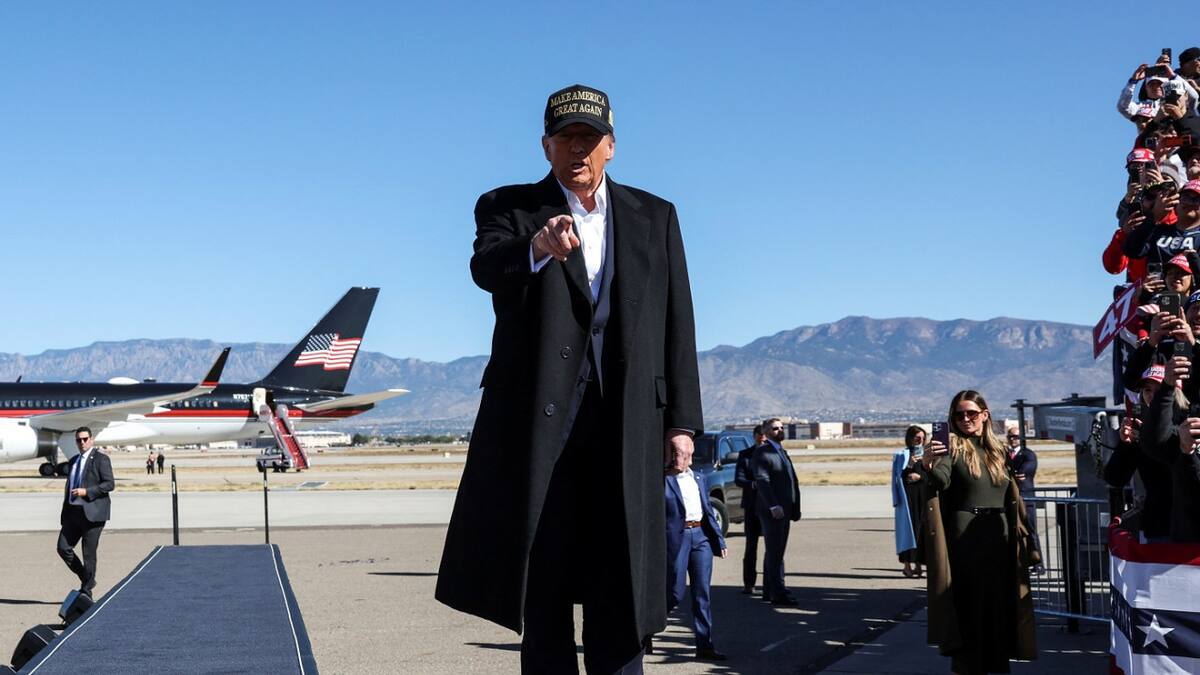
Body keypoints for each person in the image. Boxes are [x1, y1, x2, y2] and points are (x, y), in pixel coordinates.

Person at [435, 84, 703, 673]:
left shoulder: (654, 215)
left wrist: (682, 422)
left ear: (611, 146)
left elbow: (677, 321)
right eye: (565, 138)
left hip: (627, 424)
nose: (577, 149)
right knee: (544, 584)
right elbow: (487, 268)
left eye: (589, 137)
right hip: (540, 428)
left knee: (621, 580)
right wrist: (536, 246)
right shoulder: (508, 206)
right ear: (546, 147)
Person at [922, 391, 1036, 674]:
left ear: (985, 414)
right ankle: (968, 666)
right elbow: (941, 480)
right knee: (970, 603)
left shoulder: (998, 450)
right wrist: (927, 464)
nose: (965, 419)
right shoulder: (952, 446)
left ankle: (996, 663)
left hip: (1000, 536)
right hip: (966, 537)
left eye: (971, 413)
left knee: (999, 602)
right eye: (959, 414)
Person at [663, 436, 727, 661]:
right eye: (678, 454)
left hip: (701, 538)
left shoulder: (699, 478)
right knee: (675, 592)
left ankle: (705, 645)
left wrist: (719, 540)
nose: (683, 459)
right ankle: (648, 629)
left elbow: (708, 510)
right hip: (677, 539)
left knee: (702, 593)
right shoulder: (663, 480)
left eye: (685, 454)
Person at [1105, 366, 1174, 541]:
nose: (1152, 395)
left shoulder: (1187, 422)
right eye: (1147, 390)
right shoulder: (1141, 429)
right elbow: (1114, 479)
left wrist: (1152, 439)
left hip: (1190, 525)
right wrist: (1126, 444)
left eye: (1159, 389)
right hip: (1158, 525)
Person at [58, 427, 114, 597]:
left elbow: (109, 484)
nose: (82, 442)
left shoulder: (101, 459)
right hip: (73, 513)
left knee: (88, 554)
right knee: (63, 548)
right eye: (78, 440)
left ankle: (86, 591)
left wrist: (86, 492)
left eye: (85, 439)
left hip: (93, 514)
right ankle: (87, 578)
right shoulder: (74, 461)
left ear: (91, 439)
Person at [753, 418, 801, 606]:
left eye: (782, 427)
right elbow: (762, 481)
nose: (780, 430)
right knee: (775, 552)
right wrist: (773, 506)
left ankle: (769, 590)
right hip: (773, 511)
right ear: (765, 432)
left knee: (776, 552)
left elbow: (791, 481)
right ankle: (778, 593)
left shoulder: (781, 451)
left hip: (785, 509)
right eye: (775, 428)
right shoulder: (763, 453)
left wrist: (795, 507)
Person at [1005, 427, 1042, 572]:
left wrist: (1008, 474)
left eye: (1016, 436)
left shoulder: (1028, 454)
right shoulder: (1005, 454)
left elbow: (1023, 473)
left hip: (1026, 498)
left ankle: (1038, 563)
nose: (1013, 439)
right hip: (1010, 498)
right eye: (1011, 437)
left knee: (1031, 531)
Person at [734, 424, 765, 594]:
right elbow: (739, 479)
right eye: (759, 435)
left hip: (770, 507)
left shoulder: (777, 453)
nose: (762, 438)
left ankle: (772, 585)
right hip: (752, 507)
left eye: (765, 435)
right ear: (754, 436)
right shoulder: (745, 455)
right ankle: (749, 583)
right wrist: (752, 484)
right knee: (751, 546)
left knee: (773, 549)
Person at [892, 426, 926, 578]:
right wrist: (910, 465)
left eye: (923, 438)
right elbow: (898, 478)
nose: (920, 441)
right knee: (908, 531)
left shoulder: (927, 455)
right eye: (918, 438)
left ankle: (918, 564)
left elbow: (931, 475)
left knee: (920, 531)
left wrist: (921, 477)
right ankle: (907, 566)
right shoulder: (901, 455)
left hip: (922, 497)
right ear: (910, 438)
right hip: (907, 498)